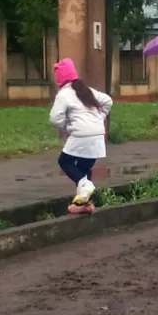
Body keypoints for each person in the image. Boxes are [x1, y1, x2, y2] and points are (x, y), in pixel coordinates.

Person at [49, 58, 113, 214]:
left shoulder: (63, 95)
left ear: (59, 79)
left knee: (64, 161)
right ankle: (84, 204)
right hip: (98, 134)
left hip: (81, 134)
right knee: (84, 168)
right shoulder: (86, 90)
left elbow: (54, 119)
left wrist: (66, 127)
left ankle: (86, 187)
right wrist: (100, 118)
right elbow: (108, 101)